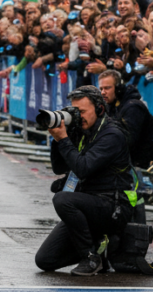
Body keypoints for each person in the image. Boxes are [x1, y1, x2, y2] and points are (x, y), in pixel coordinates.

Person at [35, 85, 136, 276]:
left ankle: (90, 257)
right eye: (74, 111)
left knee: (62, 199)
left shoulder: (112, 134)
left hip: (113, 206)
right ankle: (100, 250)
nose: (77, 116)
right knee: (45, 260)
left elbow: (83, 168)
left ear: (99, 109)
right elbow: (59, 168)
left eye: (81, 111)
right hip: (88, 205)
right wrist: (58, 140)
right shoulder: (81, 131)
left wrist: (64, 140)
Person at [97, 70, 153, 171]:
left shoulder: (133, 107)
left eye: (107, 88)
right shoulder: (112, 106)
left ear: (118, 89)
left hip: (141, 167)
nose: (103, 92)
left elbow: (127, 140)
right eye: (101, 88)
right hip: (128, 164)